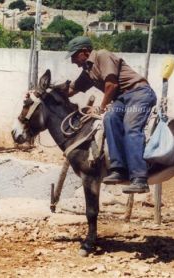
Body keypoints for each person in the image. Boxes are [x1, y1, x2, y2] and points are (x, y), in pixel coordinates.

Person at [66, 36, 157, 194]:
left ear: (85, 51)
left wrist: (101, 108)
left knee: (131, 127)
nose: (73, 61)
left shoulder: (102, 55)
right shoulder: (87, 71)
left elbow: (111, 84)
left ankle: (140, 178)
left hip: (139, 93)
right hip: (121, 100)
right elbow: (69, 90)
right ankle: (118, 169)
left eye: (74, 56)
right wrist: (41, 93)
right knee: (109, 118)